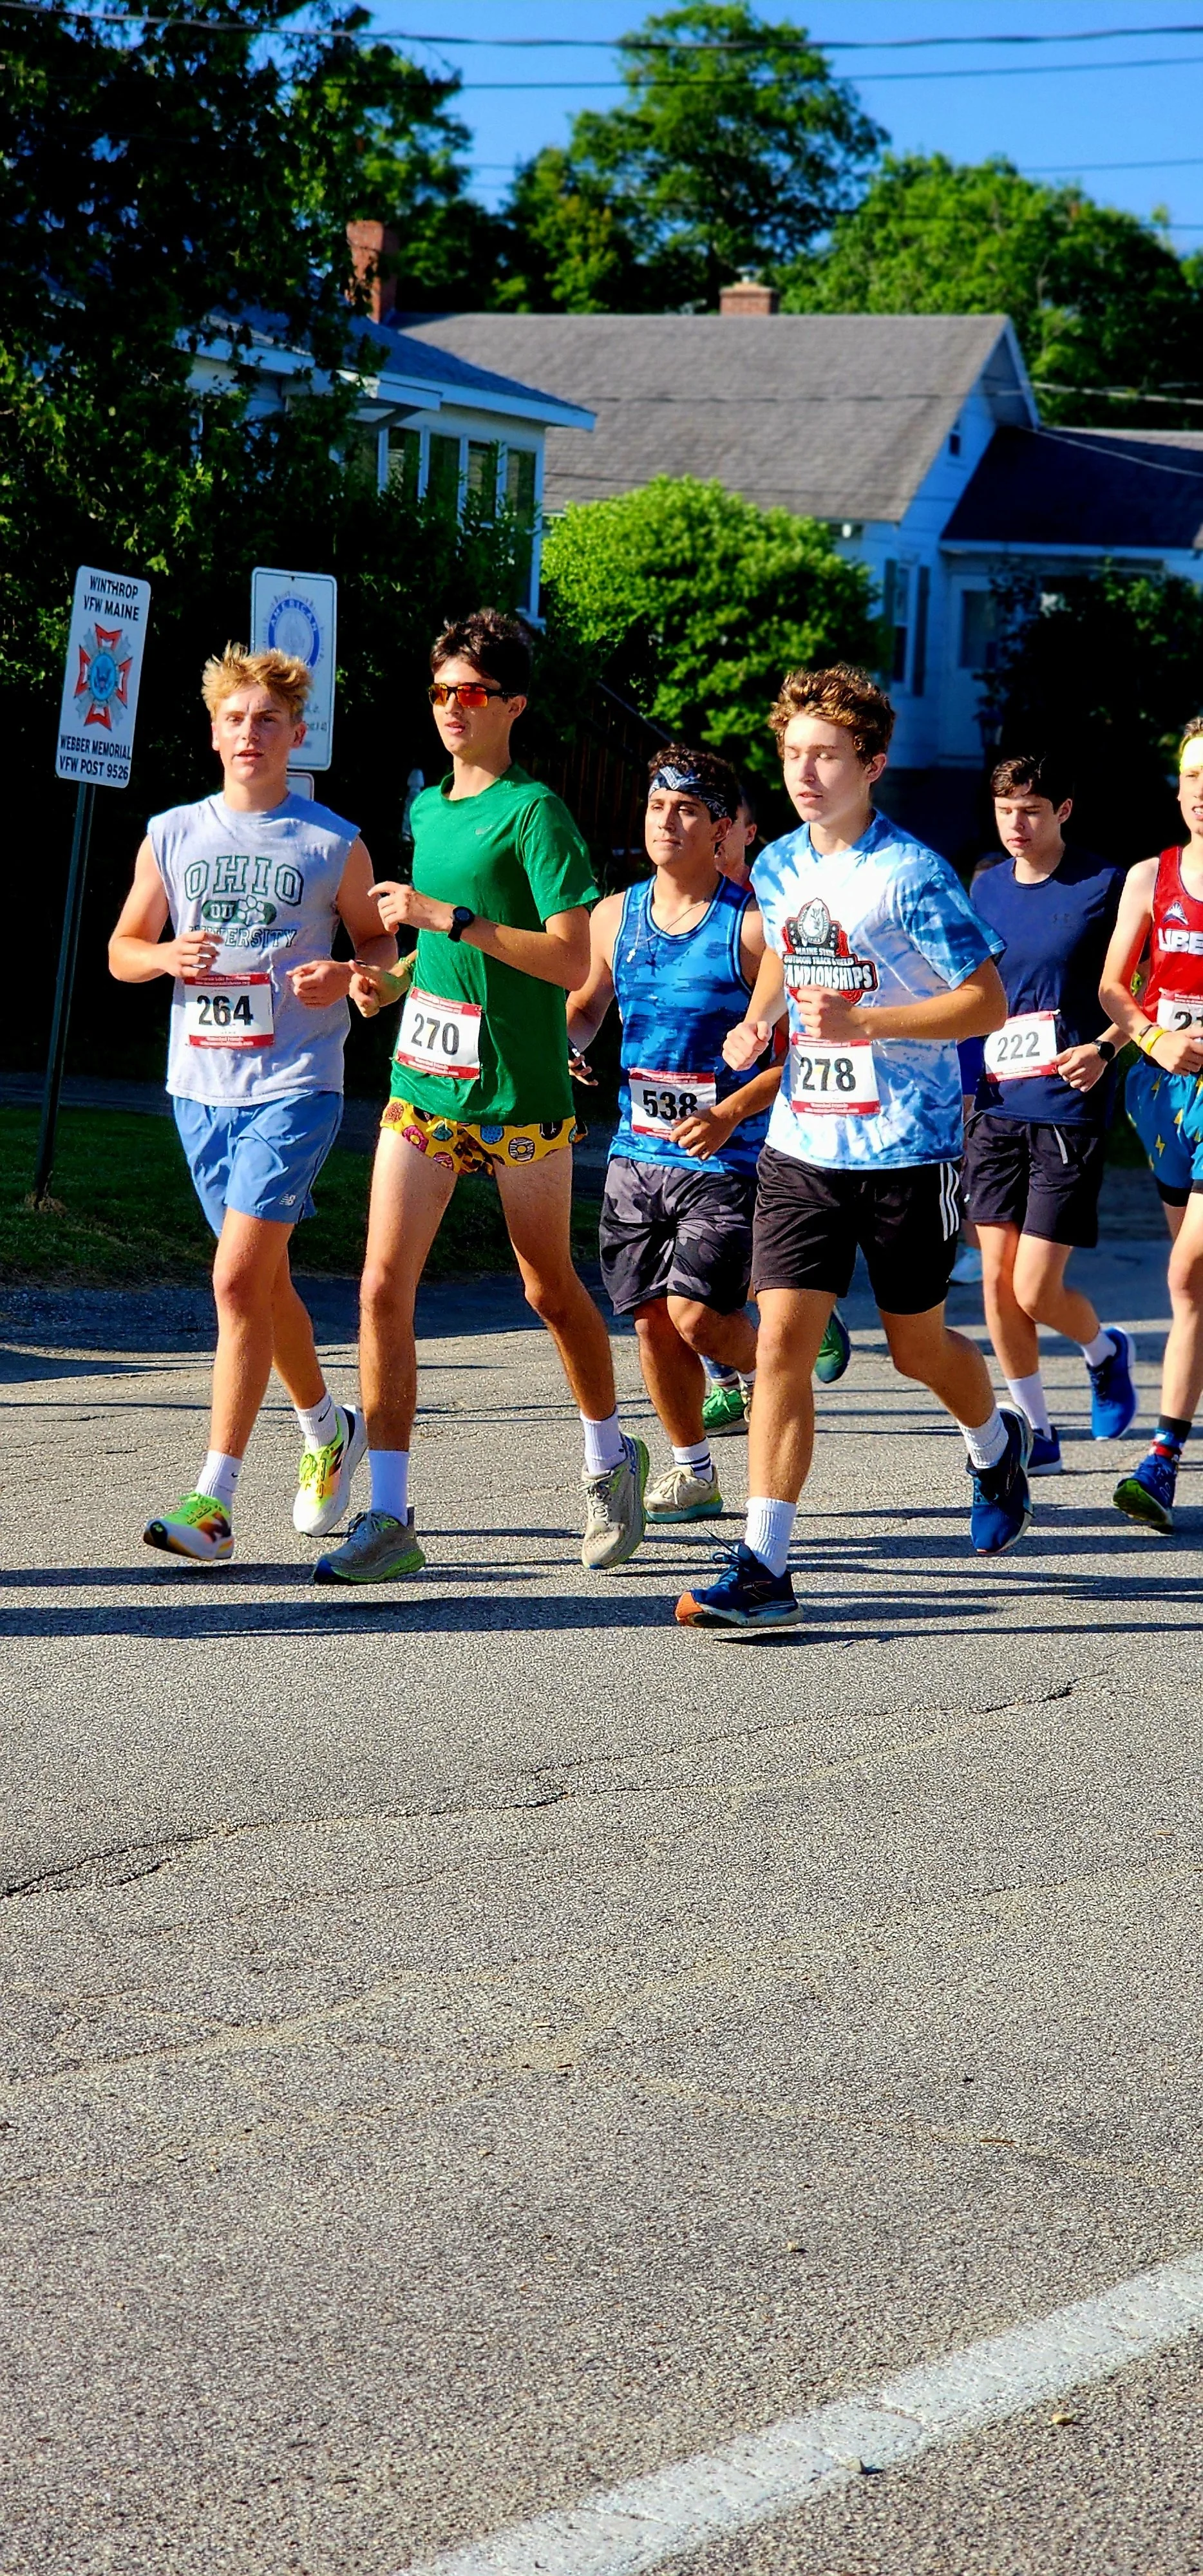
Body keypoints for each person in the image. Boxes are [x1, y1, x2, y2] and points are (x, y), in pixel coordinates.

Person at [676, 663, 1030, 1633]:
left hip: (908, 1152)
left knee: (917, 1347)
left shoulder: (913, 874)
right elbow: (794, 954)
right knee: (784, 1342)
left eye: (827, 755)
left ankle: (994, 1440)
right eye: (793, 753)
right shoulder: (781, 863)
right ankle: (766, 1565)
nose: (805, 771)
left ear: (871, 764)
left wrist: (870, 1022)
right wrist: (759, 1024)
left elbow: (985, 1003)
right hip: (801, 1146)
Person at [314, 607, 647, 1584]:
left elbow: (568, 955)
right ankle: (387, 1514)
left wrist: (446, 916)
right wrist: (393, 977)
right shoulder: (428, 812)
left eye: (471, 693)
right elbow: (443, 950)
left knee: (548, 1288)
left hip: (520, 1094)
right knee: (381, 1286)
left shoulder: (535, 812)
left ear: (512, 704)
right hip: (425, 1084)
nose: (452, 710)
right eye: (440, 692)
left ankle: (606, 1457)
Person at [108, 645, 396, 1562]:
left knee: (235, 1279)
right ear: (214, 731)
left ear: (296, 735)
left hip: (296, 1086)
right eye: (234, 719)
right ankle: (327, 1431)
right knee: (261, 1284)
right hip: (200, 1086)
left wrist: (350, 973)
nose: (249, 733)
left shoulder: (332, 841)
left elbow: (387, 959)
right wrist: (165, 959)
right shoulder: (173, 833)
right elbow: (123, 947)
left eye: (266, 720)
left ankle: (213, 1502)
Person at [567, 748, 780, 1522]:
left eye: (688, 809)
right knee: (652, 1322)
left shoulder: (751, 929)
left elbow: (794, 1062)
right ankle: (694, 1469)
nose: (669, 820)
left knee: (693, 1315)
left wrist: (726, 1112)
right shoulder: (612, 915)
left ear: (721, 828)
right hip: (634, 1155)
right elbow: (590, 1005)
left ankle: (776, 1365)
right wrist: (568, 1040)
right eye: (659, 806)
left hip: (723, 1158)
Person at [963, 752, 1134, 1473]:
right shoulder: (983, 885)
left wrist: (1104, 1046)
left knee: (1034, 1286)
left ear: (1062, 810)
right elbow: (968, 990)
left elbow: (1135, 993)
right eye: (1005, 810)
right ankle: (1037, 1431)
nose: (1016, 824)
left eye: (1030, 810)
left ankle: (1102, 1349)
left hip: (1066, 1102)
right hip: (996, 1101)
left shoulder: (1103, 884)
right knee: (995, 1279)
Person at [704, 774, 852, 1429]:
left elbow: (794, 1049)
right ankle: (728, 1379)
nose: (703, 838)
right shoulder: (667, 908)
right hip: (682, 1107)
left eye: (718, 823)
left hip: (770, 1117)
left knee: (726, 1255)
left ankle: (807, 1306)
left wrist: (738, 1098)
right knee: (683, 1263)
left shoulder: (774, 912)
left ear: (745, 833)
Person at [1099, 717, 1203, 1531]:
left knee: (1183, 1275)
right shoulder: (1148, 877)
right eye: (1193, 776)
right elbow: (1112, 989)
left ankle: (1160, 1458)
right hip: (1164, 1096)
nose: (1202, 794)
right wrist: (1153, 1037)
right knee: (1192, 1281)